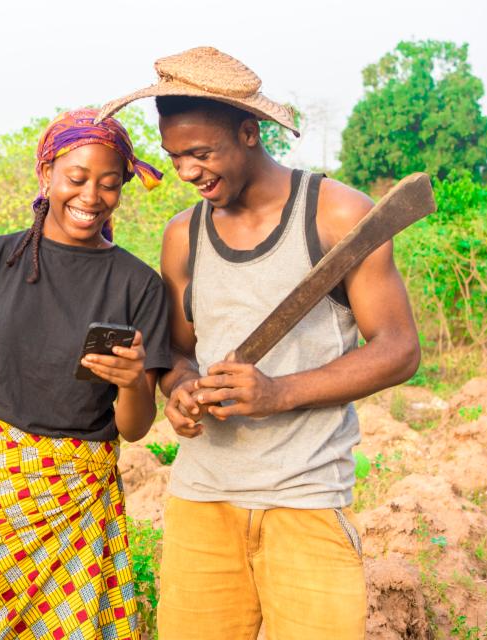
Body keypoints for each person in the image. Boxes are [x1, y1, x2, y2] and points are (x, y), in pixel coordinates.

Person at [96, 47, 421, 639]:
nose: (187, 172)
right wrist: (181, 389)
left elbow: (398, 347)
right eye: (174, 157)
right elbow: (177, 353)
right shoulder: (182, 236)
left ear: (250, 132)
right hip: (202, 502)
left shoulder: (338, 215)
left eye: (200, 154)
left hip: (306, 500)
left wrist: (279, 392)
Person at [0, 108, 172, 640]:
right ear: (46, 175)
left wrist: (129, 381)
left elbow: (134, 426)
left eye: (108, 184)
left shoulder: (139, 285)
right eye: (76, 179)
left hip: (79, 505)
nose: (90, 197)